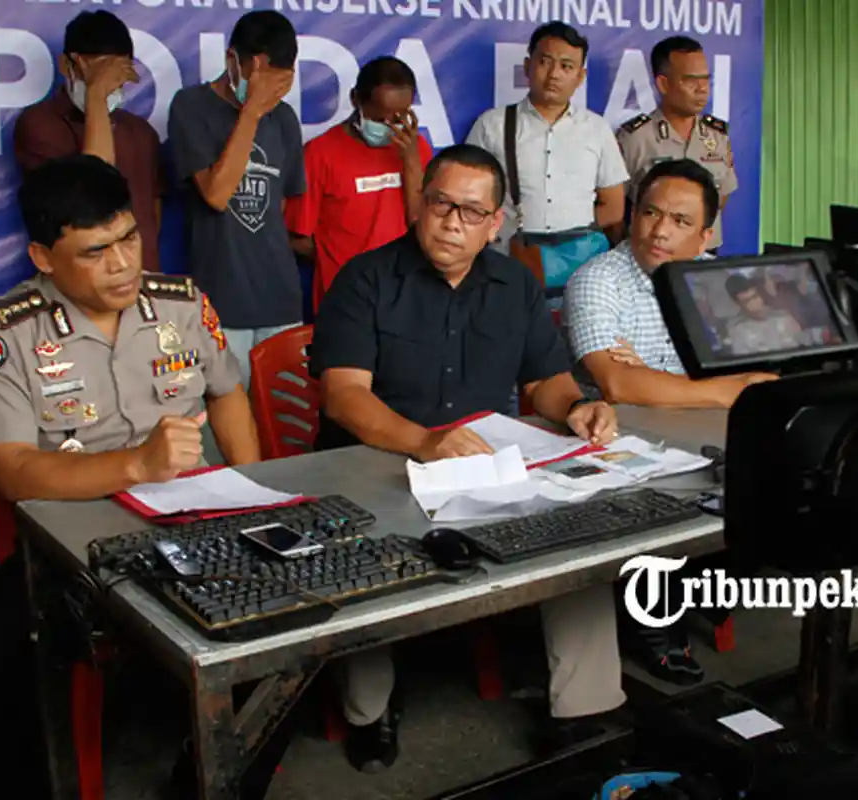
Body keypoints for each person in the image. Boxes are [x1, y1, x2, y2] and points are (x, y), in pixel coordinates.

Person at [0, 154, 259, 797]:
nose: (123, 264)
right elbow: (13, 471)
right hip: (74, 548)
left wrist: (255, 492)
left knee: (293, 642)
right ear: (43, 258)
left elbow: (227, 393)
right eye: (95, 251)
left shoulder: (181, 303)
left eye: (129, 238)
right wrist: (135, 465)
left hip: (198, 528)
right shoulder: (4, 332)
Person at [310, 143, 626, 772]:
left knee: (580, 536)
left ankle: (584, 711)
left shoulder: (515, 285)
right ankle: (369, 711)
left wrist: (575, 408)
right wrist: (423, 441)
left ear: (495, 223)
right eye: (441, 204)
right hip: (380, 460)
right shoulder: (366, 279)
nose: (453, 222)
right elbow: (343, 396)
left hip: (484, 464)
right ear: (419, 203)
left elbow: (544, 381)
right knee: (360, 549)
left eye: (472, 212)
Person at [564, 160, 774, 408]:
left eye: (681, 221)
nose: (660, 232)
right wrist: (730, 390)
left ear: (704, 239)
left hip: (710, 421)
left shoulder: (719, 279)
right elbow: (618, 385)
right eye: (651, 213)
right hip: (622, 424)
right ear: (633, 216)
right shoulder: (597, 281)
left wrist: (650, 379)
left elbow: (757, 371)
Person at [169, 10, 306, 388]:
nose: (270, 97)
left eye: (279, 87)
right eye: (261, 83)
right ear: (232, 59)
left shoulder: (285, 119)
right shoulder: (191, 106)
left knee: (285, 413)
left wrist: (264, 108)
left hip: (280, 300)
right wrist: (252, 113)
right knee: (228, 414)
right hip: (221, 302)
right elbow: (216, 195)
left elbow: (278, 207)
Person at [466, 22, 628, 290]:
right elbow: (468, 195)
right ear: (527, 66)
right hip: (510, 258)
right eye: (545, 62)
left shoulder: (597, 129)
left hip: (582, 265)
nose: (554, 74)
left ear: (580, 76)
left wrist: (573, 236)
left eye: (566, 66)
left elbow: (613, 208)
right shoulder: (492, 125)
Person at [13, 10, 166, 272]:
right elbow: (92, 193)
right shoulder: (40, 125)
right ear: (66, 66)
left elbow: (152, 211)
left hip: (141, 277)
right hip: (80, 282)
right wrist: (96, 96)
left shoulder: (140, 132)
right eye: (98, 74)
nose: (108, 86)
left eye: (116, 77)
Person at [286, 56, 433, 312]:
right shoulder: (320, 153)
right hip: (345, 300)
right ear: (355, 99)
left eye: (399, 119)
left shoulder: (416, 148)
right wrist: (342, 264)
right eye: (380, 119)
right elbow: (298, 238)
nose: (390, 127)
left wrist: (411, 162)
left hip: (405, 298)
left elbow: (424, 225)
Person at [616, 37, 736, 254]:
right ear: (663, 84)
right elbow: (615, 207)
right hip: (653, 254)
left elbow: (721, 197)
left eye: (705, 80)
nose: (702, 89)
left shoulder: (717, 136)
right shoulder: (635, 138)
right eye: (691, 81)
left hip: (704, 256)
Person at [723, 273, 803, 356]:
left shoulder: (782, 316)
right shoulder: (737, 328)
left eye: (755, 296)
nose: (754, 303)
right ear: (737, 303)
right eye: (747, 301)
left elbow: (799, 345)